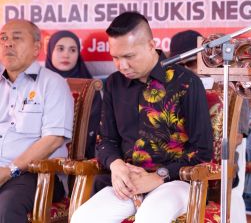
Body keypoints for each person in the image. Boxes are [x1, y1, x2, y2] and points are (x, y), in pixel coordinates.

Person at [70, 12, 214, 223]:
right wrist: (116, 165)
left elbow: (202, 150)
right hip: (129, 181)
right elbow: (106, 141)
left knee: (150, 216)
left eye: (129, 56)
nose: (122, 65)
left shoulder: (186, 82)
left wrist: (158, 176)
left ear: (150, 45)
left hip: (176, 181)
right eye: (115, 57)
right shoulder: (114, 84)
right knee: (83, 218)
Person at [0, 19, 74, 222]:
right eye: (3, 38)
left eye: (16, 38)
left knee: (5, 207)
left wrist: (10, 170)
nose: (8, 43)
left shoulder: (52, 83)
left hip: (35, 175)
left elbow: (53, 140)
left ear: (36, 48)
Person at [45, 30, 101, 159]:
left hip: (80, 159)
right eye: (60, 49)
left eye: (72, 50)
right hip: (39, 155)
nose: (66, 55)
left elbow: (92, 130)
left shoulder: (90, 88)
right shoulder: (38, 84)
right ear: (50, 51)